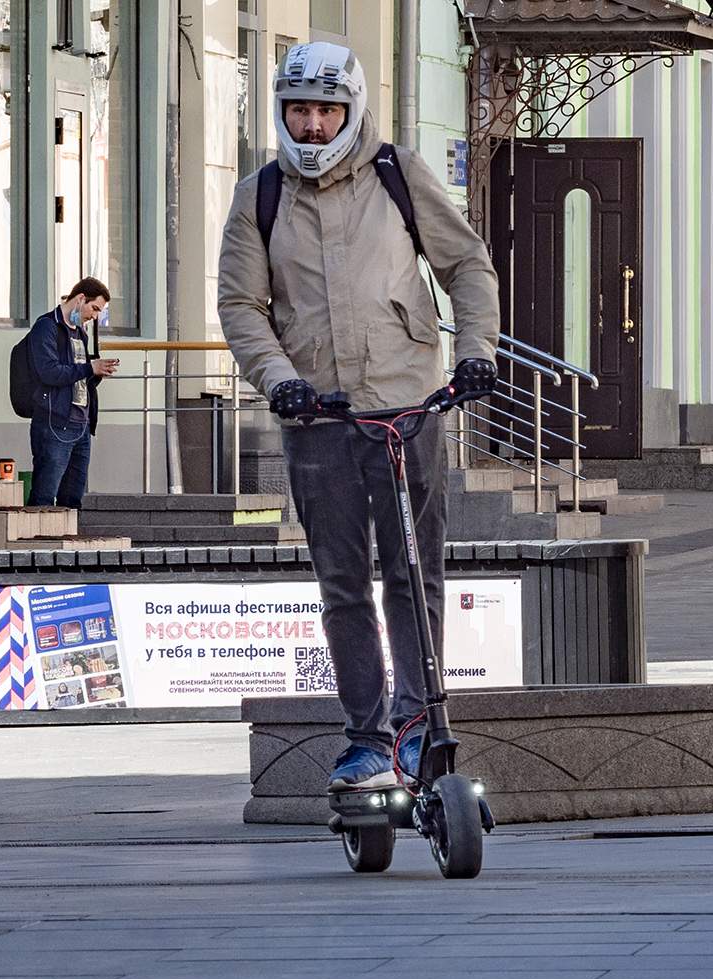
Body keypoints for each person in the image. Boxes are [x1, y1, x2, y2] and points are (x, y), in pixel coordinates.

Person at [216, 42, 500, 791]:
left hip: (410, 408)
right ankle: (366, 738)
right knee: (343, 582)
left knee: (413, 574)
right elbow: (242, 307)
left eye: (326, 111)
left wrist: (476, 351)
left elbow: (467, 265)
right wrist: (280, 383)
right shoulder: (259, 197)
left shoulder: (398, 174)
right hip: (317, 419)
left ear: (352, 110)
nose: (312, 127)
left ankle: (416, 729)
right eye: (299, 111)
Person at [26, 278, 119, 508]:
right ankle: (38, 543)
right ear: (80, 299)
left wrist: (95, 372)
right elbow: (48, 372)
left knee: (73, 498)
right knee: (45, 494)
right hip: (55, 422)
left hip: (81, 424)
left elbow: (75, 374)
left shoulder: (80, 333)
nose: (95, 316)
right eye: (94, 308)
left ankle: (69, 541)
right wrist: (90, 368)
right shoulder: (47, 327)